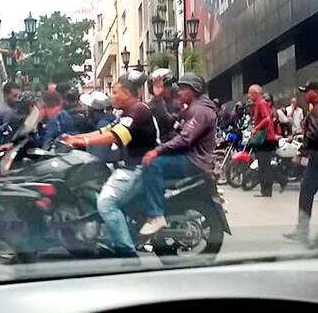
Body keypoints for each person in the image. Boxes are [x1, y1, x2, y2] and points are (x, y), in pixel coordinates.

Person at [64, 71, 157, 258]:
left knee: (106, 204)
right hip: (129, 166)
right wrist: (74, 138)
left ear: (128, 94)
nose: (112, 96)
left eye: (115, 92)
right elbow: (103, 131)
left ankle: (126, 250)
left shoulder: (138, 111)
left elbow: (114, 136)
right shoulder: (125, 113)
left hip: (137, 168)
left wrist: (83, 142)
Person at [140, 73, 217, 235]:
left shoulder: (200, 111)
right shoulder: (191, 109)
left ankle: (155, 215)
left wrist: (157, 151)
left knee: (152, 164)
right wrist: (158, 98)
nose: (179, 92)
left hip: (194, 161)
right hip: (189, 158)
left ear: (194, 90)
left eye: (183, 89)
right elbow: (171, 122)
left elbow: (185, 139)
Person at [285, 81, 318, 244]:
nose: (305, 95)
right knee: (308, 193)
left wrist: (301, 151)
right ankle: (304, 231)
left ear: (315, 93)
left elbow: (315, 134)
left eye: (307, 92)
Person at [248, 84, 285, 197]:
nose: (248, 96)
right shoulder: (258, 104)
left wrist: (256, 128)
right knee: (263, 164)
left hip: (265, 139)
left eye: (250, 93)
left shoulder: (261, 103)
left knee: (264, 165)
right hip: (266, 138)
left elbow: (267, 119)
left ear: (256, 93)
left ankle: (267, 189)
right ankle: (267, 188)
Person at [148, 68, 181, 142]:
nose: (167, 89)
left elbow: (173, 123)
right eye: (159, 86)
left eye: (168, 85)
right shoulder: (151, 106)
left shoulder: (177, 103)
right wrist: (158, 98)